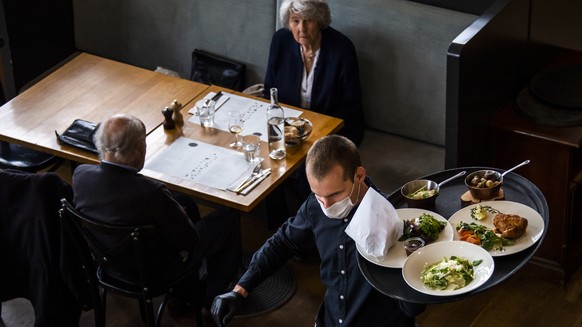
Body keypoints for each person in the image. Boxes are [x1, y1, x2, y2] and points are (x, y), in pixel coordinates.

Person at [211, 135, 425, 326]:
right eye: (318, 195)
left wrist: (414, 268)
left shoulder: (395, 218)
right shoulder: (316, 206)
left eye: (335, 195)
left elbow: (411, 308)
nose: (326, 205)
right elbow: (282, 243)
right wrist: (240, 289)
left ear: (359, 175)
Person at [72, 113, 242, 315]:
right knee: (228, 218)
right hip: (155, 272)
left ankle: (183, 297)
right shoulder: (150, 192)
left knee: (185, 202)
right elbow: (189, 240)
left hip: (110, 263)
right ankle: (211, 302)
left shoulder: (81, 176)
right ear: (138, 149)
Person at [264, 0, 365, 146]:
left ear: (319, 21)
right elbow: (269, 92)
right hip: (289, 128)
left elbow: (350, 107)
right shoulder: (280, 41)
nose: (302, 28)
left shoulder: (342, 49)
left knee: (306, 165)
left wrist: (311, 131)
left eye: (308, 20)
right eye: (295, 21)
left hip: (333, 129)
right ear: (288, 22)